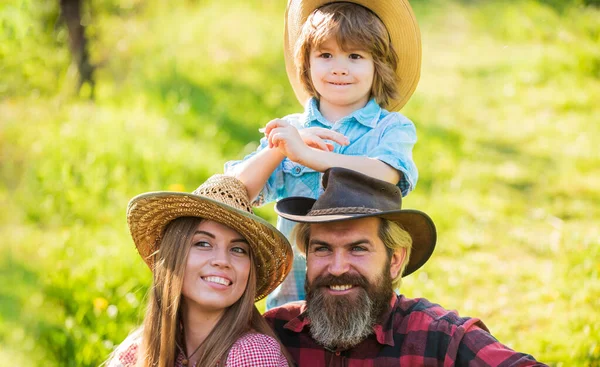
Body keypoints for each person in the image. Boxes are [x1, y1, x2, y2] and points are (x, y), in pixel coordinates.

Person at [226, 0, 422, 309]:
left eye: (355, 56)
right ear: (307, 63)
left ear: (377, 66)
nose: (339, 67)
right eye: (326, 55)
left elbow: (386, 172)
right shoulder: (292, 130)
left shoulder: (390, 127)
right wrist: (280, 151)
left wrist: (310, 157)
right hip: (293, 295)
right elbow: (232, 193)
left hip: (360, 290)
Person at [264, 167, 548, 366]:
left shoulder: (439, 338)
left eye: (358, 249)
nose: (337, 268)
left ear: (395, 260)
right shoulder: (273, 335)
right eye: (322, 249)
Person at [106, 174, 294, 367]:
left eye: (238, 249)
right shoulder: (136, 353)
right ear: (173, 256)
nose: (222, 261)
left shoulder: (253, 354)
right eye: (203, 243)